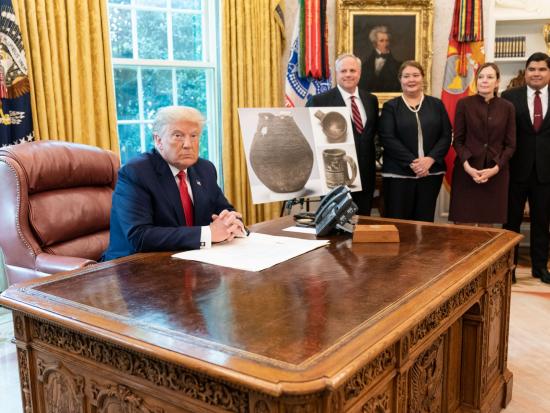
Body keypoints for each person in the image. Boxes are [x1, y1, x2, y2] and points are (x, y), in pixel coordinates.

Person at [102, 106, 245, 261]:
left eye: (194, 136)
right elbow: (140, 236)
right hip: (133, 268)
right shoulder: (136, 172)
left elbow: (225, 210)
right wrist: (209, 233)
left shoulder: (205, 169)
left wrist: (232, 223)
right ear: (158, 140)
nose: (188, 144)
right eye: (178, 136)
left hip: (190, 261)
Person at [378, 60, 452, 222]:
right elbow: (388, 138)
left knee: (425, 222)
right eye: (406, 76)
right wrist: (414, 163)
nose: (411, 79)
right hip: (398, 175)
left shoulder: (437, 105)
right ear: (400, 80)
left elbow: (446, 136)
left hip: (431, 173)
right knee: (399, 223)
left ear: (422, 78)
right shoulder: (391, 107)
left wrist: (430, 160)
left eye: (415, 75)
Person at [306, 53, 379, 215]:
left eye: (352, 70)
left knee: (362, 226)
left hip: (366, 176)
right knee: (336, 226)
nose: (348, 75)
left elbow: (373, 135)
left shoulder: (371, 100)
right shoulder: (319, 102)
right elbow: (309, 137)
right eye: (343, 71)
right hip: (335, 177)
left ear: (359, 73)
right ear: (336, 73)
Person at [502, 52, 550, 283]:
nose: (536, 73)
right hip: (515, 170)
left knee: (542, 221)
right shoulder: (509, 97)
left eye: (541, 69)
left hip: (546, 172)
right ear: (525, 72)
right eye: (532, 69)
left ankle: (540, 268)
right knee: (511, 222)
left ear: (549, 73)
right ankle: (507, 268)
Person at [449, 63, 516, 226]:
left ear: (498, 82)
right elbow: (457, 140)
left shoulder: (507, 107)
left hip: (495, 173)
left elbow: (511, 145)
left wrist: (495, 168)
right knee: (463, 231)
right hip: (467, 172)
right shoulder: (464, 104)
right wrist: (467, 166)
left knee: (488, 230)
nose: (484, 81)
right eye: (481, 77)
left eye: (490, 77)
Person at [359, 25, 401, 93]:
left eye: (387, 41)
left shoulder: (397, 66)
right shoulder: (365, 65)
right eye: (382, 41)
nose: (386, 44)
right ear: (375, 44)